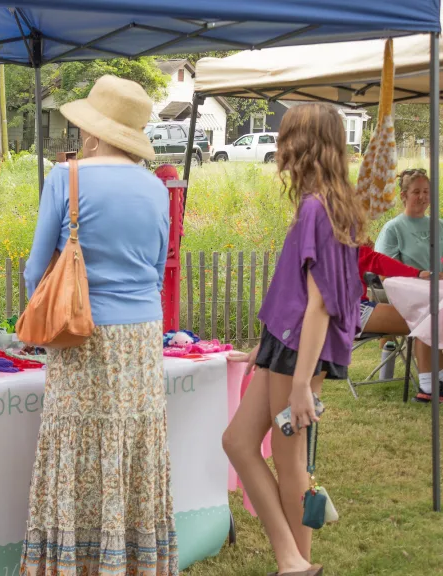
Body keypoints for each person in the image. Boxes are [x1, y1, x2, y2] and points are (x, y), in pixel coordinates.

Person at [20, 75, 177, 575]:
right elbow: (156, 270)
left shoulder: (65, 179)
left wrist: (45, 316)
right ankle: (134, 560)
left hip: (82, 330)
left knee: (77, 442)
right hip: (142, 337)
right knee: (134, 441)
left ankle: (74, 562)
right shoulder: (157, 189)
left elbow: (33, 270)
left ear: (93, 130)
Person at [223, 103, 367, 576]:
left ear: (304, 146)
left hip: (300, 357)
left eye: (285, 138)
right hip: (285, 348)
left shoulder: (315, 209)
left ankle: (296, 564)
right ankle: (292, 559)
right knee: (240, 442)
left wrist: (302, 381)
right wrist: (265, 349)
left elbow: (322, 303)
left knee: (291, 466)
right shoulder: (329, 203)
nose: (279, 147)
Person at [359, 242, 443, 402]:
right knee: (427, 319)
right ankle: (429, 389)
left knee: (432, 316)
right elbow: (376, 261)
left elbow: (370, 259)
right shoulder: (342, 242)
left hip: (350, 309)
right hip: (351, 312)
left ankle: (437, 381)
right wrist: (418, 273)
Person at [375, 168, 443, 270]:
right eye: (416, 192)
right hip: (413, 285)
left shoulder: (440, 225)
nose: (422, 196)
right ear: (403, 196)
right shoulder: (393, 229)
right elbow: (386, 271)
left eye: (426, 191)